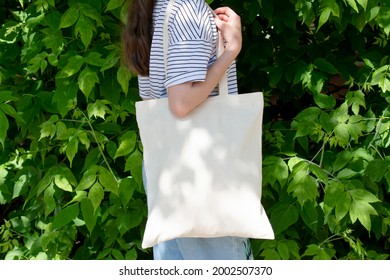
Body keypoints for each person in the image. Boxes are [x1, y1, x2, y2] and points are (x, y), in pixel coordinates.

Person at [122, 0, 253, 260]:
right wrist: (231, 50)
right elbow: (181, 102)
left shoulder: (155, 7)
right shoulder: (189, 10)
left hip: (166, 170)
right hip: (204, 172)